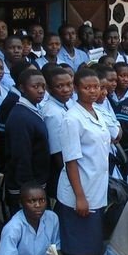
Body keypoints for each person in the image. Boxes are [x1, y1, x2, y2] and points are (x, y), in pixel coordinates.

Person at [57, 68, 112, 255]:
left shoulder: (98, 112)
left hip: (96, 188)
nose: (92, 91)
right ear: (77, 89)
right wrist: (80, 196)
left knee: (90, 239)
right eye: (87, 87)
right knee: (80, 241)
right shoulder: (72, 118)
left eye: (96, 87)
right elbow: (71, 160)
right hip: (79, 190)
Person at [4, 70, 49, 215]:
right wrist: (28, 191)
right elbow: (21, 157)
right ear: (22, 88)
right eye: (35, 87)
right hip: (26, 189)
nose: (41, 90)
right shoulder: (21, 117)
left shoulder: (31, 110)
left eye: (43, 86)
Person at [41, 66, 74, 197]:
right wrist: (70, 179)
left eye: (69, 84)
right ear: (49, 89)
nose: (66, 90)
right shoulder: (52, 113)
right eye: (59, 86)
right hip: (63, 173)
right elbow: (58, 153)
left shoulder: (69, 103)